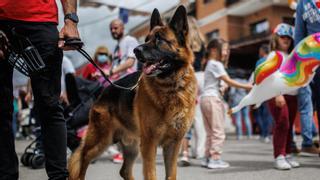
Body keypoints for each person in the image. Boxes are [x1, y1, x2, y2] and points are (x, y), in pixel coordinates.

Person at [0, 0, 80, 179]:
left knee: (50, 105)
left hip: (40, 20)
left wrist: (70, 20)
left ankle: (59, 177)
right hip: (2, 20)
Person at [200, 39, 251, 169]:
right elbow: (229, 80)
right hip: (213, 100)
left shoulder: (208, 64)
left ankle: (207, 158)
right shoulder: (216, 64)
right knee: (218, 131)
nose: (226, 52)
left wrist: (223, 86)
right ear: (213, 50)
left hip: (205, 99)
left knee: (210, 132)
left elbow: (223, 83)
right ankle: (215, 159)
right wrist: (247, 86)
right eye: (224, 49)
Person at [267, 23, 300, 170]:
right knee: (282, 124)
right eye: (282, 36)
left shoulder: (291, 55)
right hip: (278, 95)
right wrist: (277, 94)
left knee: (289, 126)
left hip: (292, 95)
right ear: (276, 38)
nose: (286, 39)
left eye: (288, 37)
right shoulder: (274, 55)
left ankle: (286, 153)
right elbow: (270, 76)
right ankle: (279, 156)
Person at [294, 0, 320, 154]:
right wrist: (299, 63)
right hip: (313, 62)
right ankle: (308, 142)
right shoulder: (303, 4)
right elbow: (299, 35)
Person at [253, 44, 273, 143]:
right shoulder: (272, 60)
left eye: (260, 50)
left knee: (260, 113)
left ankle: (263, 134)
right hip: (270, 90)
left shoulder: (259, 61)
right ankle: (267, 134)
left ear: (263, 51)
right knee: (267, 114)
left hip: (261, 89)